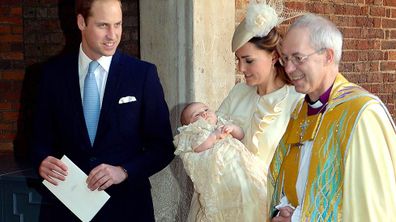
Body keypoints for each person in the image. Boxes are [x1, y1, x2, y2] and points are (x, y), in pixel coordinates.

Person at [30, 0, 174, 221]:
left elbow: (163, 147)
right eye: (103, 25)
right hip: (65, 211)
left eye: (117, 24)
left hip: (127, 210)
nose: (112, 35)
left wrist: (123, 171)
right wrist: (42, 160)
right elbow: (34, 141)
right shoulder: (50, 75)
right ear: (81, 22)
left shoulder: (142, 75)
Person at [268, 13, 396, 222]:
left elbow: (371, 207)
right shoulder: (300, 111)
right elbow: (287, 178)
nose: (289, 69)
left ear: (328, 56)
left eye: (298, 58)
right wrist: (280, 211)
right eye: (285, 59)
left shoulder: (361, 114)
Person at [188, 1, 302, 220]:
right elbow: (207, 141)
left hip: (270, 210)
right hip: (225, 207)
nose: (240, 69)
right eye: (238, 60)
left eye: (248, 60)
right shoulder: (238, 93)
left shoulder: (296, 102)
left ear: (274, 56)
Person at [174, 102, 267, 221]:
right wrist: (214, 136)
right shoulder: (195, 132)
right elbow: (198, 147)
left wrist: (233, 129)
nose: (204, 113)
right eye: (197, 114)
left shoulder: (222, 123)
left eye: (206, 109)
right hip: (221, 171)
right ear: (189, 124)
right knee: (228, 199)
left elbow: (240, 135)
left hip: (240, 164)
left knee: (253, 188)